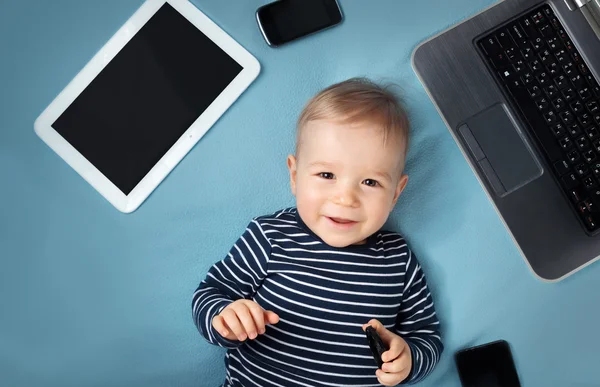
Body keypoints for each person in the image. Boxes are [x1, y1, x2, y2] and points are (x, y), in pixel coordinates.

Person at [192, 78, 443, 386]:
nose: (345, 198)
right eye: (327, 175)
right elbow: (210, 293)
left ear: (395, 193)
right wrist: (225, 318)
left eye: (370, 182)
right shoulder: (271, 236)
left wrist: (409, 359)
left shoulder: (397, 260)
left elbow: (427, 336)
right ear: (295, 176)